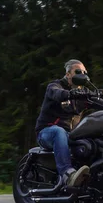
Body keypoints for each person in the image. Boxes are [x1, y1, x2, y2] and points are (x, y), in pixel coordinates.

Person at [34, 59, 91, 187]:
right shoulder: (55, 86)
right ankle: (67, 175)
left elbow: (99, 105)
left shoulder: (82, 94)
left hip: (70, 135)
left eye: (84, 72)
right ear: (68, 74)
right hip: (46, 132)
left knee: (94, 138)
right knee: (58, 131)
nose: (82, 74)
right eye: (78, 71)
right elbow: (56, 93)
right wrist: (70, 94)